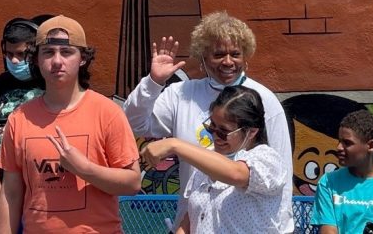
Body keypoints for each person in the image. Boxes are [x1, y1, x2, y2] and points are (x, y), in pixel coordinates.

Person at [124, 12, 293, 230]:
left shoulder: (263, 100)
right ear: (203, 56)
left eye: (235, 54)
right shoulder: (182, 94)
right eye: (219, 54)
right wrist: (153, 82)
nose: (228, 62)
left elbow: (282, 175)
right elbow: (133, 123)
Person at [0, 16, 140, 234]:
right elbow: (11, 193)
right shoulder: (20, 118)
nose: (56, 61)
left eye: (66, 52)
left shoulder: (107, 112)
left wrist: (85, 169)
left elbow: (132, 182)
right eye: (48, 52)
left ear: (82, 58)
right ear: (36, 59)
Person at [141, 86, 287, 234]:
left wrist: (174, 144)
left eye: (224, 132)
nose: (215, 136)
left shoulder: (268, 160)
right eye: (211, 127)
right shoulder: (208, 161)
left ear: (252, 132)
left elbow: (236, 174)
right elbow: (192, 217)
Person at [312, 110, 373, 234]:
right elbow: (328, 230)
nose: (338, 147)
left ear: (371, 146)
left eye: (347, 143)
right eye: (339, 141)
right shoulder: (328, 182)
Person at [0, 17, 46, 159]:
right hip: (0, 165)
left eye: (21, 54)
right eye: (9, 54)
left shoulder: (50, 82)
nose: (14, 60)